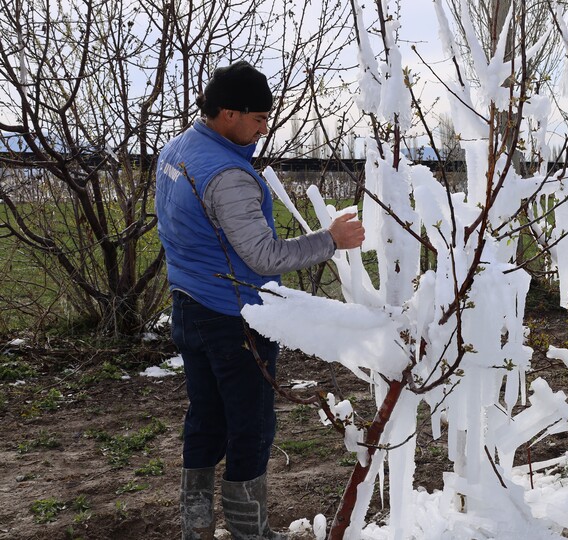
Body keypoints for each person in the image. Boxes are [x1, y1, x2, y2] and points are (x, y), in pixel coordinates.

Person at [155, 60, 364, 540]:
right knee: (251, 428)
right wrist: (330, 239)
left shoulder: (177, 149)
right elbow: (264, 256)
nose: (264, 127)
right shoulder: (227, 173)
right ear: (228, 113)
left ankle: (196, 529)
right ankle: (251, 534)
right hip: (233, 319)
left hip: (187, 306)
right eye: (259, 118)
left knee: (205, 419)